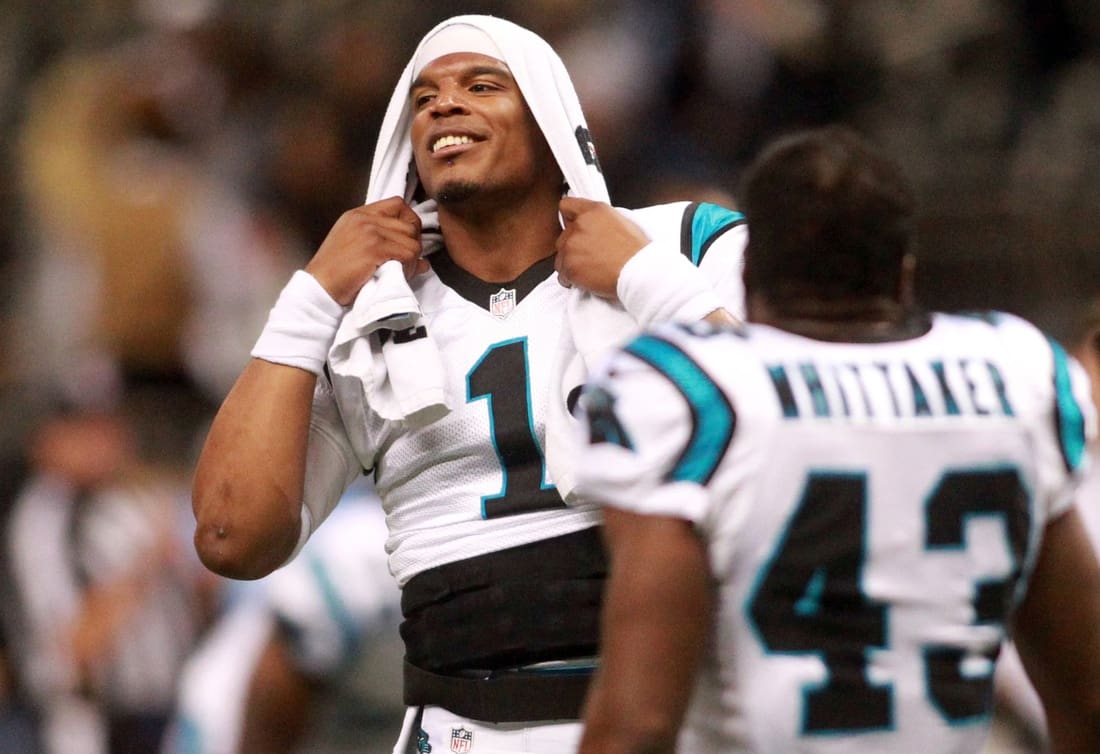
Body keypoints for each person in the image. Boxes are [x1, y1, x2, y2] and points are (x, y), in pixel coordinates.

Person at [191, 13, 746, 754]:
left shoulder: (683, 244)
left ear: (553, 119)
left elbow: (796, 423)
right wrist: (311, 297)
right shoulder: (372, 314)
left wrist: (646, 280)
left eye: (481, 85)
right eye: (423, 98)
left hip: (670, 720)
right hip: (462, 730)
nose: (444, 106)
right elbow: (232, 538)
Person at [574, 126, 1100, 754]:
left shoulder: (689, 390)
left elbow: (638, 725)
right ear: (904, 276)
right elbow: (1089, 697)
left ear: (749, 273)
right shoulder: (1016, 374)